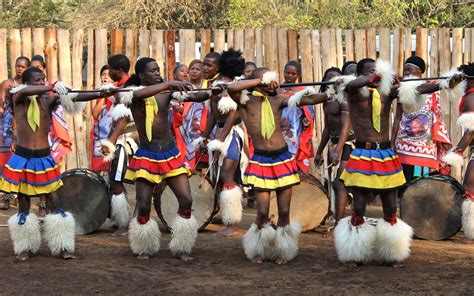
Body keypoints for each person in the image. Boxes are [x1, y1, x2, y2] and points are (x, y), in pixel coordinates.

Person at [334, 58, 462, 267]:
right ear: (361, 75)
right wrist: (372, 78)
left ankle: (391, 255)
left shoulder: (388, 92)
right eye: (369, 72)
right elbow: (352, 84)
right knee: (358, 206)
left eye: (377, 71)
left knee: (390, 206)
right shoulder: (353, 92)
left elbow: (418, 89)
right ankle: (354, 254)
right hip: (362, 154)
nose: (375, 76)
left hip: (385, 154)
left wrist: (445, 83)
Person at [2, 67, 112, 261]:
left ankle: (62, 246)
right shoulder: (18, 98)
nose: (41, 84)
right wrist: (50, 86)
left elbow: (75, 97)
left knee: (54, 201)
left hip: (44, 158)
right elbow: (24, 91)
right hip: (23, 157)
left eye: (43, 79)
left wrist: (100, 93)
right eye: (37, 81)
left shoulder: (47, 100)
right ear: (27, 83)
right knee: (24, 203)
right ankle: (25, 247)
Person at [225, 67, 328, 264]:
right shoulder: (245, 102)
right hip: (261, 160)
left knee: (283, 210)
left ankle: (283, 249)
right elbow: (232, 88)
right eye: (269, 79)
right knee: (263, 211)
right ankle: (257, 248)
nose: (274, 83)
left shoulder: (279, 99)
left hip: (282, 159)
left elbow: (311, 100)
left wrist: (332, 91)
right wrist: (258, 82)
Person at [119, 57, 207, 261]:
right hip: (147, 154)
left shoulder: (167, 93)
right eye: (152, 71)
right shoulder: (132, 94)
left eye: (158, 70)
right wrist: (167, 83)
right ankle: (144, 246)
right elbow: (139, 94)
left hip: (170, 153)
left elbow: (197, 97)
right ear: (142, 75)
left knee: (186, 199)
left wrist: (217, 91)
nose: (157, 73)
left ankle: (182, 246)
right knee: (143, 205)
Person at [193, 49, 248, 237]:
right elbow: (212, 114)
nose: (204, 67)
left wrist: (220, 140)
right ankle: (224, 214)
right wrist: (205, 136)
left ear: (220, 67)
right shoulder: (214, 85)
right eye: (203, 63)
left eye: (209, 65)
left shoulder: (227, 85)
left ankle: (233, 224)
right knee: (218, 174)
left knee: (227, 175)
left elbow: (232, 113)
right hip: (220, 131)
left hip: (231, 134)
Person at [392, 56, 451, 184]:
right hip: (404, 146)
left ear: (420, 72)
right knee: (403, 185)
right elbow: (397, 118)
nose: (406, 72)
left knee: (421, 187)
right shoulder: (402, 89)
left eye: (409, 69)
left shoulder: (431, 90)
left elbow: (436, 117)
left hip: (425, 147)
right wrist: (393, 143)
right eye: (405, 70)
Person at [31, 55, 74, 217]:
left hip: (51, 135)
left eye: (40, 68)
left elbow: (71, 99)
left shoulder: (53, 88)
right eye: (33, 68)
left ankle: (47, 205)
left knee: (51, 171)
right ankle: (27, 211)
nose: (37, 70)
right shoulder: (22, 93)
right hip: (31, 140)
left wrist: (99, 94)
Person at [100, 54, 136, 236]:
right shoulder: (121, 88)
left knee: (116, 181)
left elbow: (123, 119)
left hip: (124, 140)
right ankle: (119, 220)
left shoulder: (127, 89)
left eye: (111, 70)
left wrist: (111, 142)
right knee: (114, 179)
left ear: (119, 71)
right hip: (119, 139)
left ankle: (124, 224)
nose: (109, 73)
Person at [314, 67, 353, 224]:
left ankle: (340, 221)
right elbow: (327, 128)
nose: (334, 79)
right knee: (333, 183)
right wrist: (319, 152)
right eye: (330, 77)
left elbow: (346, 127)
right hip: (333, 143)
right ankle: (337, 217)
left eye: (337, 76)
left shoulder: (345, 99)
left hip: (348, 143)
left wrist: (338, 149)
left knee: (340, 182)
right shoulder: (327, 100)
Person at [442, 62, 474, 243]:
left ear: (468, 80)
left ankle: (471, 234)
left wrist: (457, 152)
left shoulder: (471, 98)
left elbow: (471, 132)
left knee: (470, 190)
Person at [0, 56, 30, 210]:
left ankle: (20, 197)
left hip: (24, 125)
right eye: (18, 66)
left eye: (23, 66)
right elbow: (1, 105)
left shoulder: (30, 86)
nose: (19, 69)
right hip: (6, 126)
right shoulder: (7, 84)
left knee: (21, 162)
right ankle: (5, 197)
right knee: (5, 162)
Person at [280, 61, 315, 174]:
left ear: (298, 75)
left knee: (294, 158)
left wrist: (307, 119)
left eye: (293, 74)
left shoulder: (303, 92)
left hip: (296, 129)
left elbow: (309, 112)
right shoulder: (277, 90)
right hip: (279, 129)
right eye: (287, 73)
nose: (290, 76)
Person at [90, 65, 115, 172]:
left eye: (108, 75)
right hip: (99, 136)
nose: (105, 77)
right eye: (103, 74)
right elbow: (95, 113)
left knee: (113, 167)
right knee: (97, 167)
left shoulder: (117, 93)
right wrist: (104, 96)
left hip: (114, 135)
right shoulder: (95, 93)